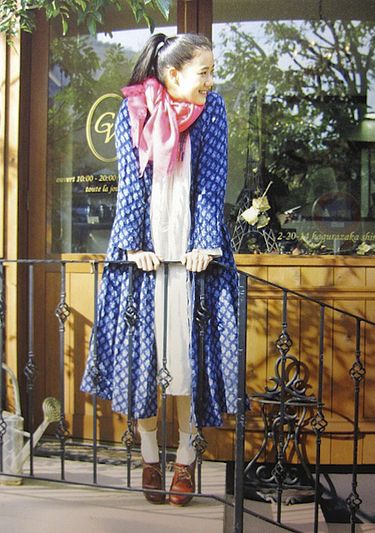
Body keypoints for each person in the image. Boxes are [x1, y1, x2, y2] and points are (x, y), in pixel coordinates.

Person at [81, 33, 238, 506]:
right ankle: (150, 455)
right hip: (145, 254)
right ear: (173, 73)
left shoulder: (212, 110)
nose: (210, 81)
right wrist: (132, 246)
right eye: (204, 72)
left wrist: (206, 243)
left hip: (192, 256)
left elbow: (212, 182)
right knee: (143, 360)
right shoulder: (133, 110)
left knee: (189, 363)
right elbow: (130, 184)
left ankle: (186, 461)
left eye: (211, 72)